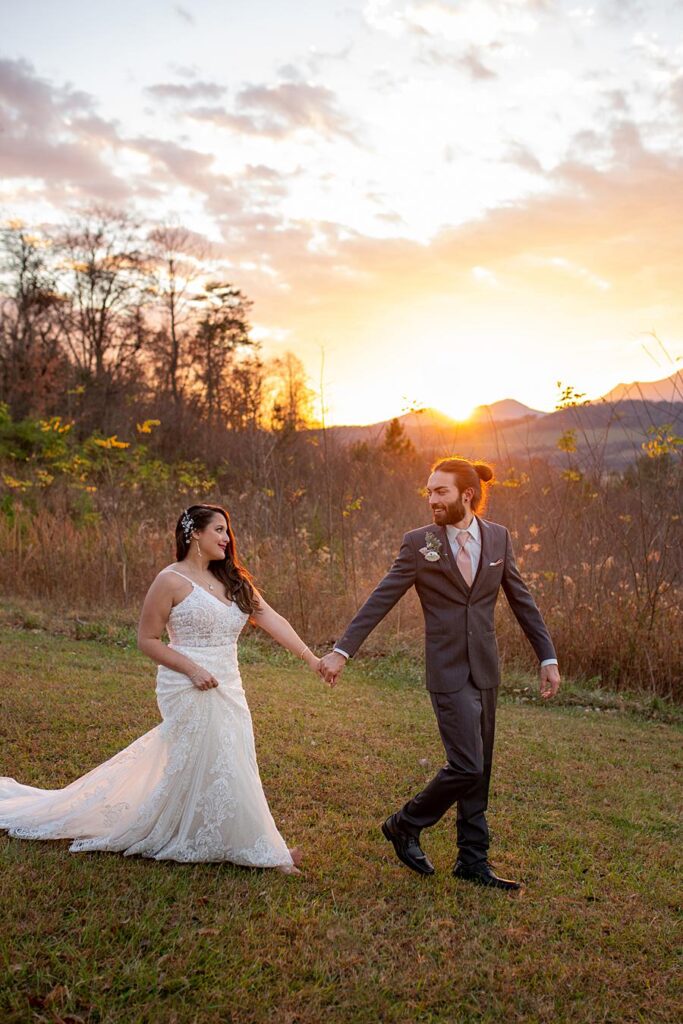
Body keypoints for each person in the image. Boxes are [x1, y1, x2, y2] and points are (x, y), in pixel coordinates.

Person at [0, 503, 321, 873]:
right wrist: (192, 668)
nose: (226, 538)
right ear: (194, 533)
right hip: (186, 681)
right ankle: (265, 850)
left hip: (229, 682)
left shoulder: (234, 581)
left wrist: (312, 659)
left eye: (227, 531)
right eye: (218, 529)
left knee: (232, 757)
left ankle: (232, 836)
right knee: (220, 756)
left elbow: (273, 619)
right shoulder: (169, 580)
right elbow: (147, 639)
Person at [319, 457, 560, 891]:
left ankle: (472, 860)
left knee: (480, 768)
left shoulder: (498, 538)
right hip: (447, 669)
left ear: (466, 495)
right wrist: (342, 651)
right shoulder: (419, 544)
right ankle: (404, 824)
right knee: (466, 763)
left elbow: (521, 599)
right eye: (429, 492)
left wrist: (547, 656)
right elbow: (380, 599)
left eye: (440, 492)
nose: (431, 499)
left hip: (485, 667)